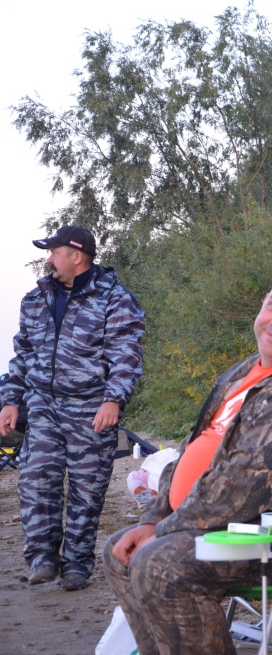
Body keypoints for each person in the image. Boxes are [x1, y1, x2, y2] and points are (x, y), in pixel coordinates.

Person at [104, 273, 272, 655]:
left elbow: (236, 490)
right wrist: (153, 517)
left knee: (159, 564)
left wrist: (161, 531)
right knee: (119, 553)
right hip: (250, 524)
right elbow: (192, 450)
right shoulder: (247, 372)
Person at [0, 225, 145, 592]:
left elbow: (126, 354)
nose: (49, 259)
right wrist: (11, 400)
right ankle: (42, 558)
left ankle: (77, 564)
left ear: (77, 256)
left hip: (91, 407)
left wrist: (113, 399)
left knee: (87, 488)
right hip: (42, 404)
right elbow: (23, 354)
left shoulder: (115, 298)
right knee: (36, 478)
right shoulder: (36, 299)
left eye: (55, 252)